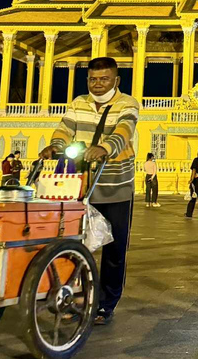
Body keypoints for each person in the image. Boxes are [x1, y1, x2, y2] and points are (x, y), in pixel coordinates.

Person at [40, 56, 140, 326]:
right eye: (93, 79)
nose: (98, 84)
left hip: (115, 187)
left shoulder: (127, 103)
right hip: (78, 183)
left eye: (104, 79)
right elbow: (64, 128)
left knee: (114, 249)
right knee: (73, 244)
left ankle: (106, 303)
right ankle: (71, 295)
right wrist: (55, 146)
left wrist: (106, 148)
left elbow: (124, 130)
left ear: (116, 80)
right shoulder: (78, 103)